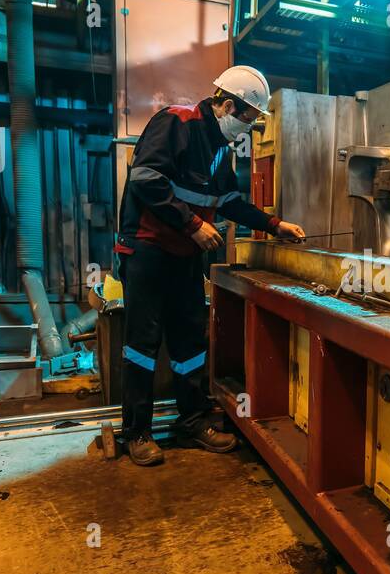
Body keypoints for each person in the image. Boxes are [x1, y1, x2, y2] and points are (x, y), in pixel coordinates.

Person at [114, 65, 305, 466]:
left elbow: (230, 202)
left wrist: (274, 225)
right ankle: (137, 432)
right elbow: (146, 180)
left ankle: (192, 420)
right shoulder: (176, 123)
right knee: (142, 345)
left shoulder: (222, 150)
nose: (249, 129)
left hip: (184, 254)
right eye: (249, 119)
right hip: (147, 251)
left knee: (189, 342)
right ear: (227, 106)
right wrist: (193, 224)